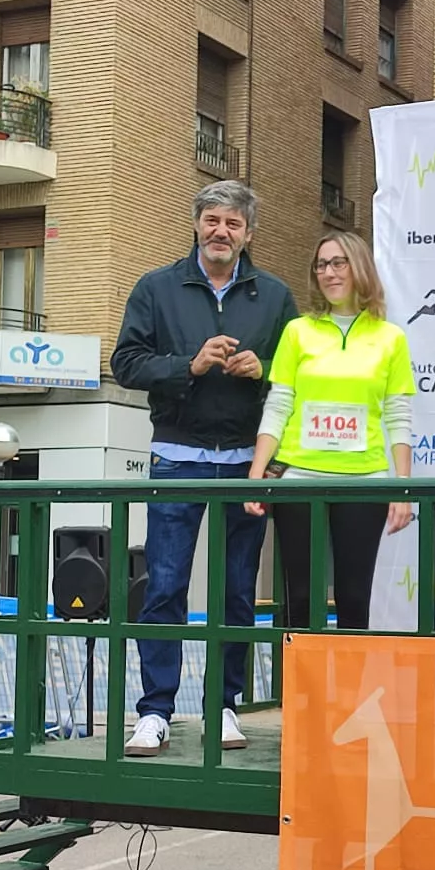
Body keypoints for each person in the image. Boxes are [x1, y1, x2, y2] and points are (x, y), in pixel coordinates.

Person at [111, 179, 297, 756]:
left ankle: (222, 705)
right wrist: (186, 366)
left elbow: (294, 376)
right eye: (212, 220)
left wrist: (259, 369)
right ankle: (155, 713)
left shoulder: (274, 295)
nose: (221, 232)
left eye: (233, 224)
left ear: (248, 234)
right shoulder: (156, 287)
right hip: (177, 458)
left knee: (238, 592)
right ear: (196, 223)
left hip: (248, 462)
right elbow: (124, 364)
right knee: (164, 587)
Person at [245, 232, 414, 632]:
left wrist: (402, 487)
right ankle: (301, 694)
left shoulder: (391, 338)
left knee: (354, 598)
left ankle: (349, 696)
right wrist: (256, 475)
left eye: (339, 263)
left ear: (359, 268)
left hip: (364, 480)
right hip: (299, 479)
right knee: (299, 598)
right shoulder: (298, 331)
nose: (329, 273)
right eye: (321, 264)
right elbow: (278, 406)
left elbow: (399, 415)